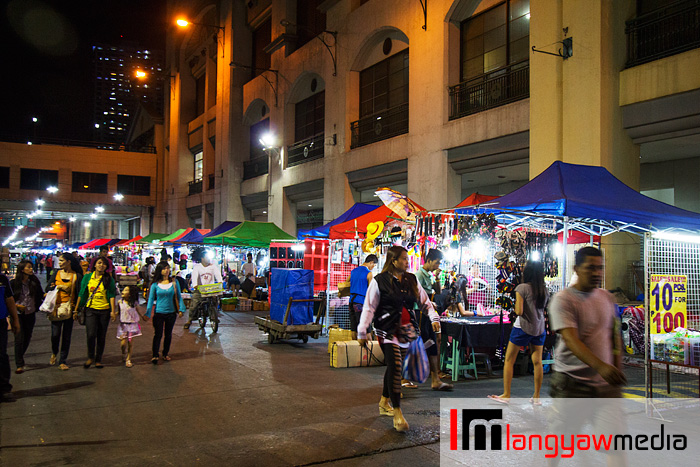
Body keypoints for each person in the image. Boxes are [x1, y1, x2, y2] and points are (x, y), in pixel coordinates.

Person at [357, 246, 440, 432]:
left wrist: (434, 318)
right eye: (403, 258)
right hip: (386, 330)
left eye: (407, 258)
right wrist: (362, 330)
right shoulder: (380, 281)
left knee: (395, 366)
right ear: (393, 261)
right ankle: (397, 413)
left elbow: (425, 302)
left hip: (407, 331)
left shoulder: (411, 279)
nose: (406, 261)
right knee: (395, 365)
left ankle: (383, 401)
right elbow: (369, 307)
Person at [549, 246, 627, 397]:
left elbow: (614, 335)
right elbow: (571, 340)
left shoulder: (606, 297)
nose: (596, 273)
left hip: (605, 383)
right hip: (572, 383)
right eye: (590, 268)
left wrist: (616, 366)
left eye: (600, 268)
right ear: (576, 269)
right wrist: (601, 367)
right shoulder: (564, 300)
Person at [488, 261, 550, 404]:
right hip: (540, 328)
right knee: (537, 362)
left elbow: (519, 311)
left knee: (509, 360)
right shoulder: (544, 290)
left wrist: (512, 307)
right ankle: (537, 397)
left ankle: (507, 394)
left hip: (522, 327)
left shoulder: (521, 288)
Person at [415, 249, 453, 391]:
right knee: (420, 344)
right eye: (437, 262)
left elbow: (437, 291)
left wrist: (437, 278)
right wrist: (428, 304)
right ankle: (404, 377)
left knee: (431, 343)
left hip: (428, 314)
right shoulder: (418, 275)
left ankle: (435, 379)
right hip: (420, 314)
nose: (438, 265)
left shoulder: (429, 275)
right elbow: (415, 296)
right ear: (429, 260)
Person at [75, 257, 117, 369]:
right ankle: (90, 357)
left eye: (103, 264)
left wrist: (113, 311)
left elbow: (112, 295)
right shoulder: (88, 277)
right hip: (90, 309)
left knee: (101, 336)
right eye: (99, 263)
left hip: (104, 310)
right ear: (94, 265)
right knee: (91, 334)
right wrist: (76, 308)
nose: (101, 265)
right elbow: (81, 293)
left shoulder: (109, 279)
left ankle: (98, 359)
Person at [46, 253, 82, 370]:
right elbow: (48, 288)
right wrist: (59, 287)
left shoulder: (77, 276)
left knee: (67, 336)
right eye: (60, 261)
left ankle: (63, 360)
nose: (60, 262)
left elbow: (79, 293)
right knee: (55, 334)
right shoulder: (56, 273)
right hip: (56, 308)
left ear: (69, 261)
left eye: (62, 261)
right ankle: (54, 352)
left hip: (69, 308)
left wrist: (77, 310)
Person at [145, 262, 186, 364]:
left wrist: (181, 309)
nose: (166, 270)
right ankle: (155, 355)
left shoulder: (174, 283)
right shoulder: (155, 284)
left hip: (171, 313)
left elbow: (179, 297)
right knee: (158, 334)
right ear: (160, 270)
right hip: (159, 313)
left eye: (168, 268)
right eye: (164, 269)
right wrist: (148, 313)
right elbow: (150, 299)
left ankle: (165, 353)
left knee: (168, 334)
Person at [10, 260, 44, 374]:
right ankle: (19, 364)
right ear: (22, 269)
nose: (31, 269)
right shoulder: (13, 283)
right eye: (28, 267)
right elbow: (8, 300)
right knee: (19, 338)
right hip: (18, 314)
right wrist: (17, 306)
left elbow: (41, 294)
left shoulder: (34, 281)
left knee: (27, 337)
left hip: (30, 313)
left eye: (31, 267)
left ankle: (20, 355)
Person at [184, 251, 223, 330]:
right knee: (194, 304)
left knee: (215, 300)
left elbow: (218, 275)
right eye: (206, 257)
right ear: (202, 259)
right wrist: (195, 285)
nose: (208, 259)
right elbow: (194, 276)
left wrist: (220, 282)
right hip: (199, 289)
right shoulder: (197, 267)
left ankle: (214, 315)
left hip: (210, 289)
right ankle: (189, 320)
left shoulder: (213, 266)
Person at [1, 272, 20, 402]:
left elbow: (9, 300)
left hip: (0, 321)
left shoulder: (2, 280)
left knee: (1, 355)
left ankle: (4, 388)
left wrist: (15, 320)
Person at [348, 254, 378, 340]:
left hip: (351, 302)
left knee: (354, 329)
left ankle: (354, 349)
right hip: (361, 303)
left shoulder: (353, 271)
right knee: (367, 330)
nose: (373, 267)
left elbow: (346, 283)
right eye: (374, 265)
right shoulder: (368, 273)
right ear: (371, 262)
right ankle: (369, 351)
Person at [116, 285, 146, 368]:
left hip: (132, 325)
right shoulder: (120, 302)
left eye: (126, 290)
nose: (123, 292)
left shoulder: (134, 303)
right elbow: (119, 312)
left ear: (130, 294)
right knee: (123, 343)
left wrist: (143, 317)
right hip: (123, 325)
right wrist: (114, 315)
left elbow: (139, 311)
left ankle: (128, 359)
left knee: (130, 342)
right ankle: (123, 353)